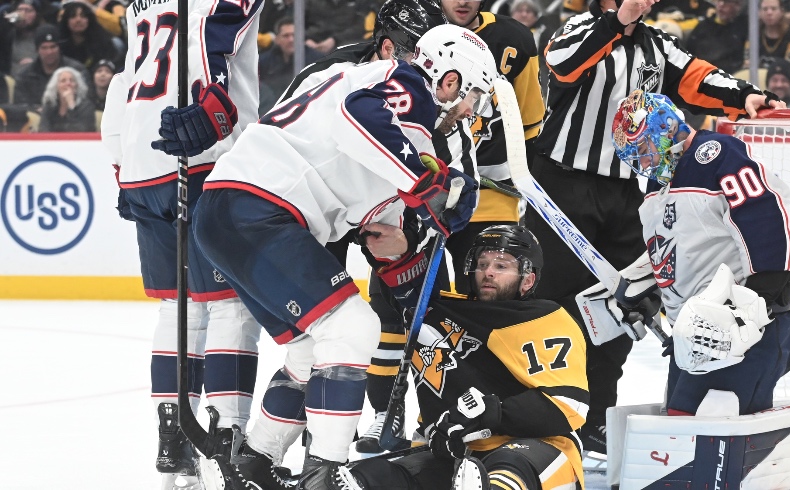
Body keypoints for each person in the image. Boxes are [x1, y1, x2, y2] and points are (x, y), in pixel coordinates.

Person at [191, 24, 494, 489]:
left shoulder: (408, 131)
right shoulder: (405, 82)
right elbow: (359, 121)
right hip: (257, 207)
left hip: (240, 212)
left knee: (311, 351)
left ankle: (251, 463)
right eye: (472, 95)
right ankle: (325, 473)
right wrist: (428, 185)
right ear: (449, 80)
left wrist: (435, 213)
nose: (471, 111)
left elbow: (398, 219)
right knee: (353, 327)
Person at [530, 0, 784, 466]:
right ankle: (541, 415)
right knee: (550, 301)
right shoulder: (579, 28)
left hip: (628, 193)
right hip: (562, 185)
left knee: (619, 307)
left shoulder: (656, 45)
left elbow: (697, 77)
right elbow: (564, 66)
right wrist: (618, 21)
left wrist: (744, 95)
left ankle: (596, 417)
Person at [267, 0, 471, 457]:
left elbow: (453, 161)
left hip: (388, 199)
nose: (430, 63)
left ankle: (415, 413)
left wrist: (442, 201)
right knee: (320, 328)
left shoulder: (436, 81)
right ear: (386, 45)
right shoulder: (332, 73)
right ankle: (312, 438)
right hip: (323, 203)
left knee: (417, 299)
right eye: (418, 50)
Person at [99, 0, 265, 487]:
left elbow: (126, 79)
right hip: (200, 149)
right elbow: (215, 34)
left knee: (178, 309)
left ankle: (172, 434)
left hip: (141, 163)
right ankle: (226, 438)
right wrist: (211, 109)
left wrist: (123, 168)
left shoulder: (136, 5)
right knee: (233, 305)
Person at [319, 224, 590, 490]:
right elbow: (398, 276)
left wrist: (486, 414)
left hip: (539, 448)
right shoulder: (434, 311)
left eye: (501, 266)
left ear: (528, 279)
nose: (488, 273)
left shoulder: (544, 318)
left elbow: (567, 404)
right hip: (456, 452)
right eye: (482, 264)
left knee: (505, 470)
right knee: (370, 476)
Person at [610, 89, 790, 417]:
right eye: (635, 157)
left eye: (645, 150)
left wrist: (755, 305)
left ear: (667, 130)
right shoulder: (657, 186)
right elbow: (673, 249)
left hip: (749, 331)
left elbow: (778, 219)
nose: (644, 163)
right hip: (695, 338)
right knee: (680, 432)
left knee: (714, 438)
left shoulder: (716, 155)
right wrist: (641, 288)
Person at [439, 0, 545, 297]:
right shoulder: (414, 31)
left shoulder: (514, 39)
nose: (463, 2)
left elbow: (529, 122)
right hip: (423, 199)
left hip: (491, 200)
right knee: (412, 312)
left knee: (488, 304)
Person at [15, 24, 89, 110]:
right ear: (37, 50)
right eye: (44, 48)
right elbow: (19, 106)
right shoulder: (25, 75)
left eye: (53, 47)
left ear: (59, 48)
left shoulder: (76, 70)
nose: (49, 52)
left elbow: (87, 100)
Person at [685, 0, 749, 75]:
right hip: (702, 76)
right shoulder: (703, 27)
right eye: (719, 1)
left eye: (726, 2)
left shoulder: (745, 27)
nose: (721, 5)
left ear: (738, 5)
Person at [57, 1, 119, 72]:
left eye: (83, 16)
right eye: (73, 16)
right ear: (66, 21)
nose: (78, 20)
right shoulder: (60, 44)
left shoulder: (102, 42)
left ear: (89, 19)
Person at [746, 0, 790, 72]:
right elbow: (747, 64)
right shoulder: (754, 34)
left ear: (782, 12)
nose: (769, 13)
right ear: (759, 13)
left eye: (773, 9)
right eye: (765, 9)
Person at [37, 66, 95, 131]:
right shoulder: (49, 105)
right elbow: (43, 130)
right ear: (56, 86)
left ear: (77, 85)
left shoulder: (86, 106)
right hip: (53, 141)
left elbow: (81, 131)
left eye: (72, 80)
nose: (68, 84)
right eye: (63, 81)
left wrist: (71, 106)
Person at [257, 16, 294, 115]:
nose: (291, 39)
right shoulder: (263, 62)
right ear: (277, 39)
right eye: (286, 36)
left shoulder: (315, 60)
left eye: (294, 35)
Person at [0, 0, 46, 77]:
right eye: (20, 10)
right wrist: (7, 22)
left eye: (28, 10)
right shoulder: (8, 34)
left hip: (38, 79)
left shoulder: (43, 34)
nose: (23, 14)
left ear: (37, 14)